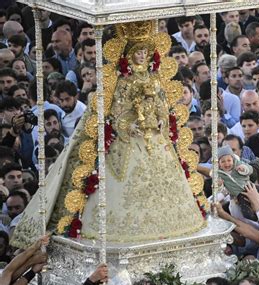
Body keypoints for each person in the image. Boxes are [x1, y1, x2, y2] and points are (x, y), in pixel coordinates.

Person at [12, 21, 207, 247]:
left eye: (145, 52)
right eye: (138, 52)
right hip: (129, 139)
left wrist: (162, 118)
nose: (142, 56)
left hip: (155, 134)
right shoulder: (122, 80)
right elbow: (118, 109)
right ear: (130, 55)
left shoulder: (155, 78)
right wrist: (128, 125)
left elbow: (162, 104)